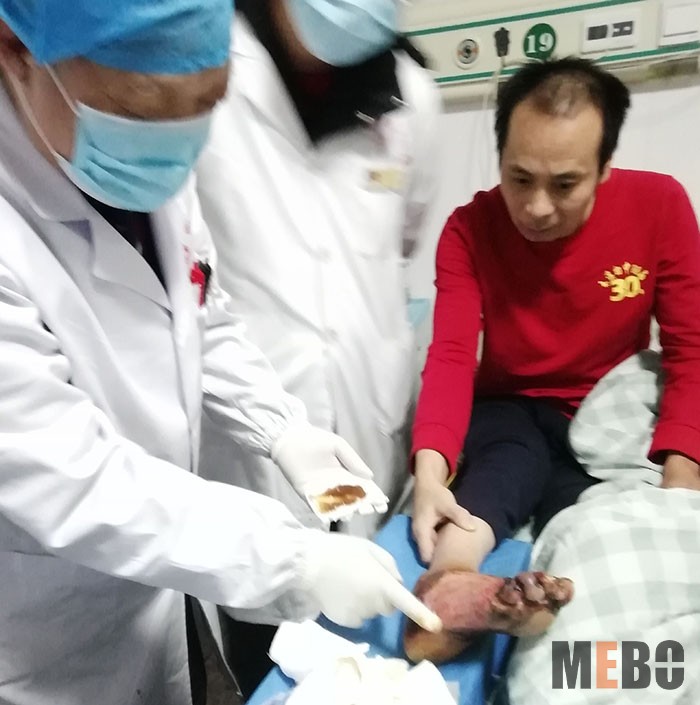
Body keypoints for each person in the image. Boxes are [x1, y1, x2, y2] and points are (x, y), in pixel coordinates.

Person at [0, 3, 441, 704]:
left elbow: (203, 311)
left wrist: (280, 427)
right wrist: (293, 560)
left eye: (206, 103)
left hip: (153, 594)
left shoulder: (149, 168)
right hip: (43, 631)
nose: (175, 141)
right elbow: (75, 477)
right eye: (140, 110)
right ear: (16, 51)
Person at [405, 57, 700, 662]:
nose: (537, 207)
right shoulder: (468, 230)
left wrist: (681, 483)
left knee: (590, 520)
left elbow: (690, 348)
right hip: (508, 405)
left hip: (604, 414)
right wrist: (430, 475)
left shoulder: (659, 206)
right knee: (497, 475)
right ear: (500, 158)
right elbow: (453, 354)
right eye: (519, 179)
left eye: (565, 185)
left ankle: (533, 602)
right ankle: (448, 592)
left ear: (604, 167)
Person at [196, 0, 441, 538]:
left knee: (361, 577)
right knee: (262, 572)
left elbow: (404, 239)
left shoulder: (412, 94)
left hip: (366, 405)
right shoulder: (205, 62)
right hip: (248, 412)